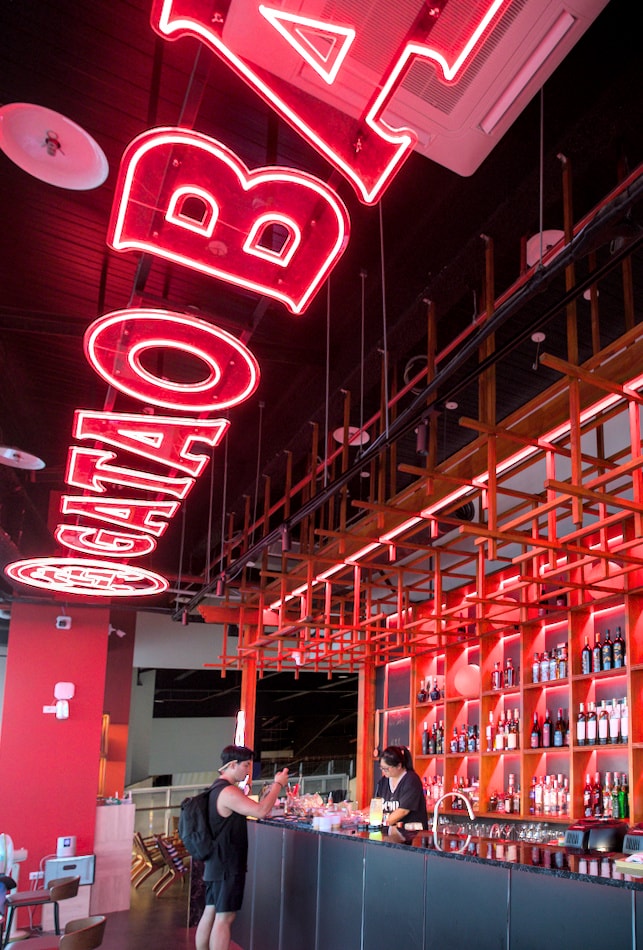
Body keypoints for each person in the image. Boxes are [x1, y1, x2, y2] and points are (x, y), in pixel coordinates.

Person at [195, 744, 289, 950]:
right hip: (227, 864)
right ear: (232, 765)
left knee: (210, 911)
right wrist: (278, 785)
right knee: (224, 918)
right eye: (245, 765)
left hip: (215, 862)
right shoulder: (228, 791)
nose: (248, 771)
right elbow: (261, 811)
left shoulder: (215, 788)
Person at [374, 745, 428, 829]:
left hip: (411, 833)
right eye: (381, 768)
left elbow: (403, 810)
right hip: (390, 832)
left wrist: (383, 823)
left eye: (386, 769)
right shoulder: (383, 782)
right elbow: (376, 805)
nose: (384, 771)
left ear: (399, 766)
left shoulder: (411, 780)